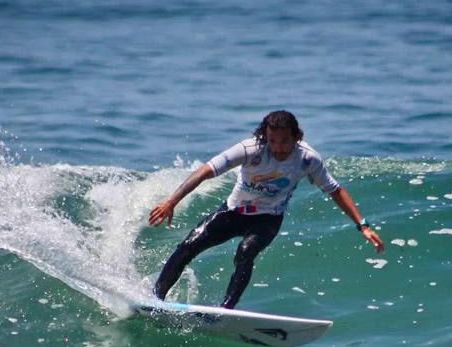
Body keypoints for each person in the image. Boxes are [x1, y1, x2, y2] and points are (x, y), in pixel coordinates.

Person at [148, 110, 384, 309]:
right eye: (273, 141)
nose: (278, 148)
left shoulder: (308, 159)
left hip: (267, 220)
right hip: (233, 213)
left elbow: (335, 190)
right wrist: (171, 201)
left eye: (284, 141)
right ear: (265, 137)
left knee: (245, 252)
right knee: (188, 247)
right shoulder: (250, 149)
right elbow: (205, 171)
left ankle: (226, 311)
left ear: (296, 137)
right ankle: (155, 300)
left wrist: (362, 225)